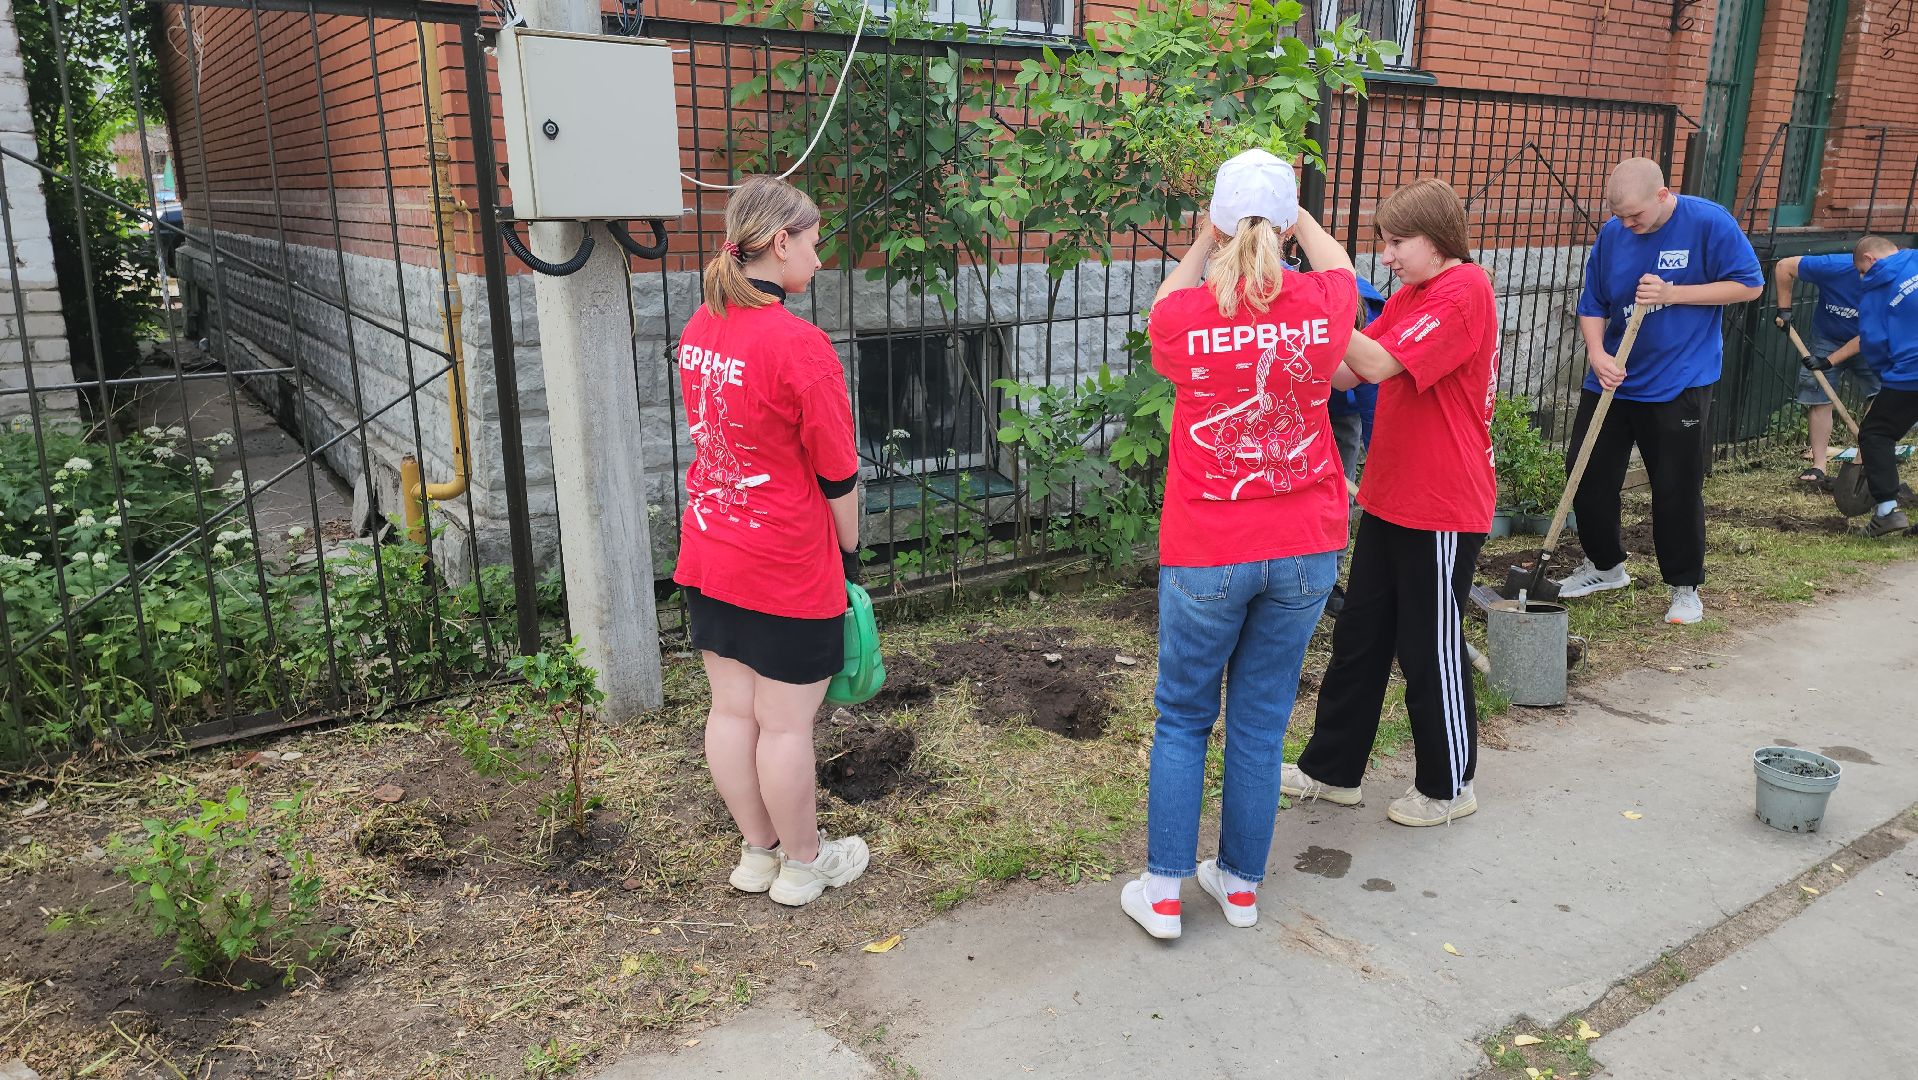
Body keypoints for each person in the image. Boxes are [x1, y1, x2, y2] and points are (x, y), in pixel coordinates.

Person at [1123, 149, 1358, 940]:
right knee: (1260, 725)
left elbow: (1166, 301)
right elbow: (1343, 266)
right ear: (1291, 225)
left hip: (1209, 546)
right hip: (1303, 545)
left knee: (1184, 719)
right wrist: (1294, 219)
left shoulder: (1184, 316)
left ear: (1219, 223)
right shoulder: (1325, 304)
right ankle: (1242, 886)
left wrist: (1202, 240)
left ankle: (1163, 891)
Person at [672, 175, 869, 907]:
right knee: (785, 726)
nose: (819, 261)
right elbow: (838, 470)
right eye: (814, 245)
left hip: (713, 550)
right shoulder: (800, 345)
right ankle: (804, 864)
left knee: (730, 711)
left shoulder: (701, 327)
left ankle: (758, 855)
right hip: (785, 560)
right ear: (781, 242)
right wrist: (850, 556)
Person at [1280, 179, 1500, 827]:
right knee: (1361, 638)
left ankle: (1450, 784)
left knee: (1428, 646)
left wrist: (1317, 298)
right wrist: (1291, 337)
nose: (1388, 257)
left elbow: (1373, 363)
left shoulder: (1465, 291)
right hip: (1391, 494)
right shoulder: (1411, 295)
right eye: (1383, 243)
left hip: (1441, 504)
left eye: (1398, 242)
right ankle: (1332, 770)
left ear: (1436, 240)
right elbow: (1349, 369)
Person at [1550, 159, 1763, 625]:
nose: (1628, 225)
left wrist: (1673, 294)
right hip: (1614, 376)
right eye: (1620, 217)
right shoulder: (1613, 234)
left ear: (1663, 195)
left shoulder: (1708, 222)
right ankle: (1605, 566)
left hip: (1678, 380)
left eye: (1635, 216)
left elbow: (1749, 285)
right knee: (1587, 475)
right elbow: (1592, 303)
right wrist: (1596, 355)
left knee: (1675, 486)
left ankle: (1684, 587)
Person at [1820, 237, 1917, 536]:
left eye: (1861, 270)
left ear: (1870, 260)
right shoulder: (1915, 258)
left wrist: (1889, 376)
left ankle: (1887, 512)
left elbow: (1873, 342)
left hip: (1911, 372)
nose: (1862, 277)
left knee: (1876, 433)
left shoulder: (1876, 289)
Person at [1773, 244, 1879, 488]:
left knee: (1883, 395)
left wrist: (1829, 361)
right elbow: (1783, 266)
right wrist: (1784, 310)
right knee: (1818, 395)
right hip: (1827, 338)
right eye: (1861, 274)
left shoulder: (1896, 283)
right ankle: (1818, 464)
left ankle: (1862, 463)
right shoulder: (1832, 266)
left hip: (1871, 343)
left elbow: (1868, 335)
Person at [1323, 278, 1385, 619]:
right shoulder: (1298, 305)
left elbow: (1371, 403)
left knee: (1339, 489)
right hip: (1290, 395)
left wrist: (1383, 484)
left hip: (1343, 405)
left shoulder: (1371, 322)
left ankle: (1329, 578)